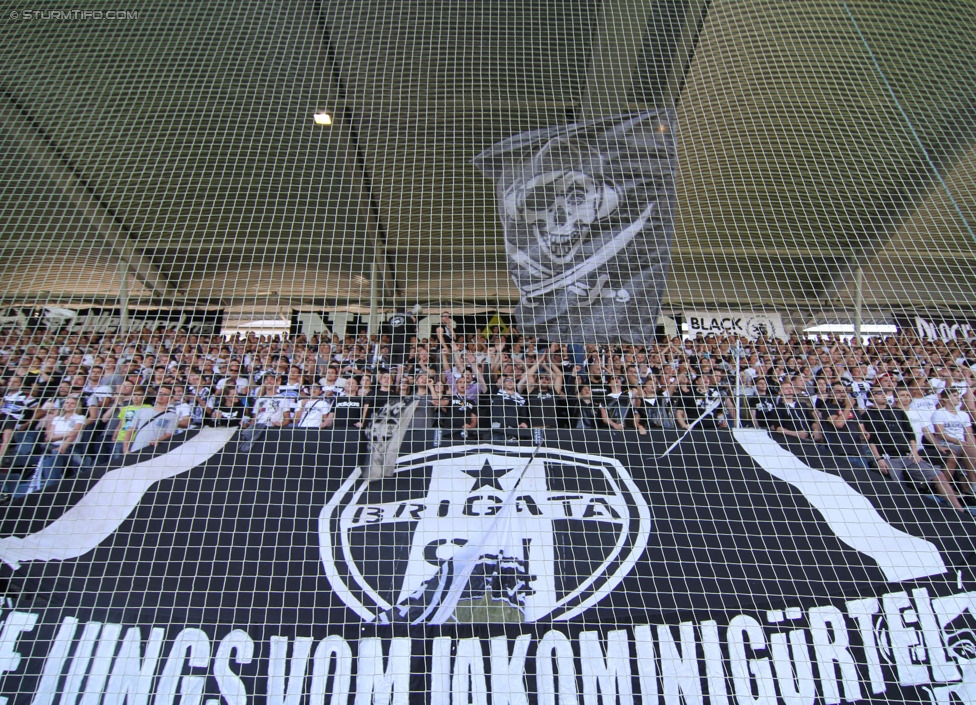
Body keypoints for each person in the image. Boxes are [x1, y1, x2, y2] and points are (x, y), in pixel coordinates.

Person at [861, 387, 966, 512]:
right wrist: (878, 458)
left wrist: (914, 451)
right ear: (871, 398)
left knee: (939, 476)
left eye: (884, 392)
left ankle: (960, 511)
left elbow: (910, 433)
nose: (883, 395)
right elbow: (871, 439)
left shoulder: (898, 411)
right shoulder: (868, 414)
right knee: (899, 488)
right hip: (888, 457)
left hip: (908, 454)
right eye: (879, 393)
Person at [930, 387, 976, 492]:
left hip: (963, 445)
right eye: (954, 396)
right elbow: (940, 434)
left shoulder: (963, 415)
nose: (958, 398)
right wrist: (958, 442)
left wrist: (972, 445)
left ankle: (968, 489)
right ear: (945, 399)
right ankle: (974, 484)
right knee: (968, 449)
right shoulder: (939, 413)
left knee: (971, 449)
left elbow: (969, 433)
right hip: (947, 444)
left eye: (958, 395)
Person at [127, 386, 179, 454]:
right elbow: (130, 430)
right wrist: (126, 449)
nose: (161, 395)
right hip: (136, 448)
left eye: (165, 394)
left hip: (154, 450)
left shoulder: (172, 416)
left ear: (170, 398)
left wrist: (158, 440)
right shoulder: (143, 410)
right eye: (160, 393)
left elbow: (168, 434)